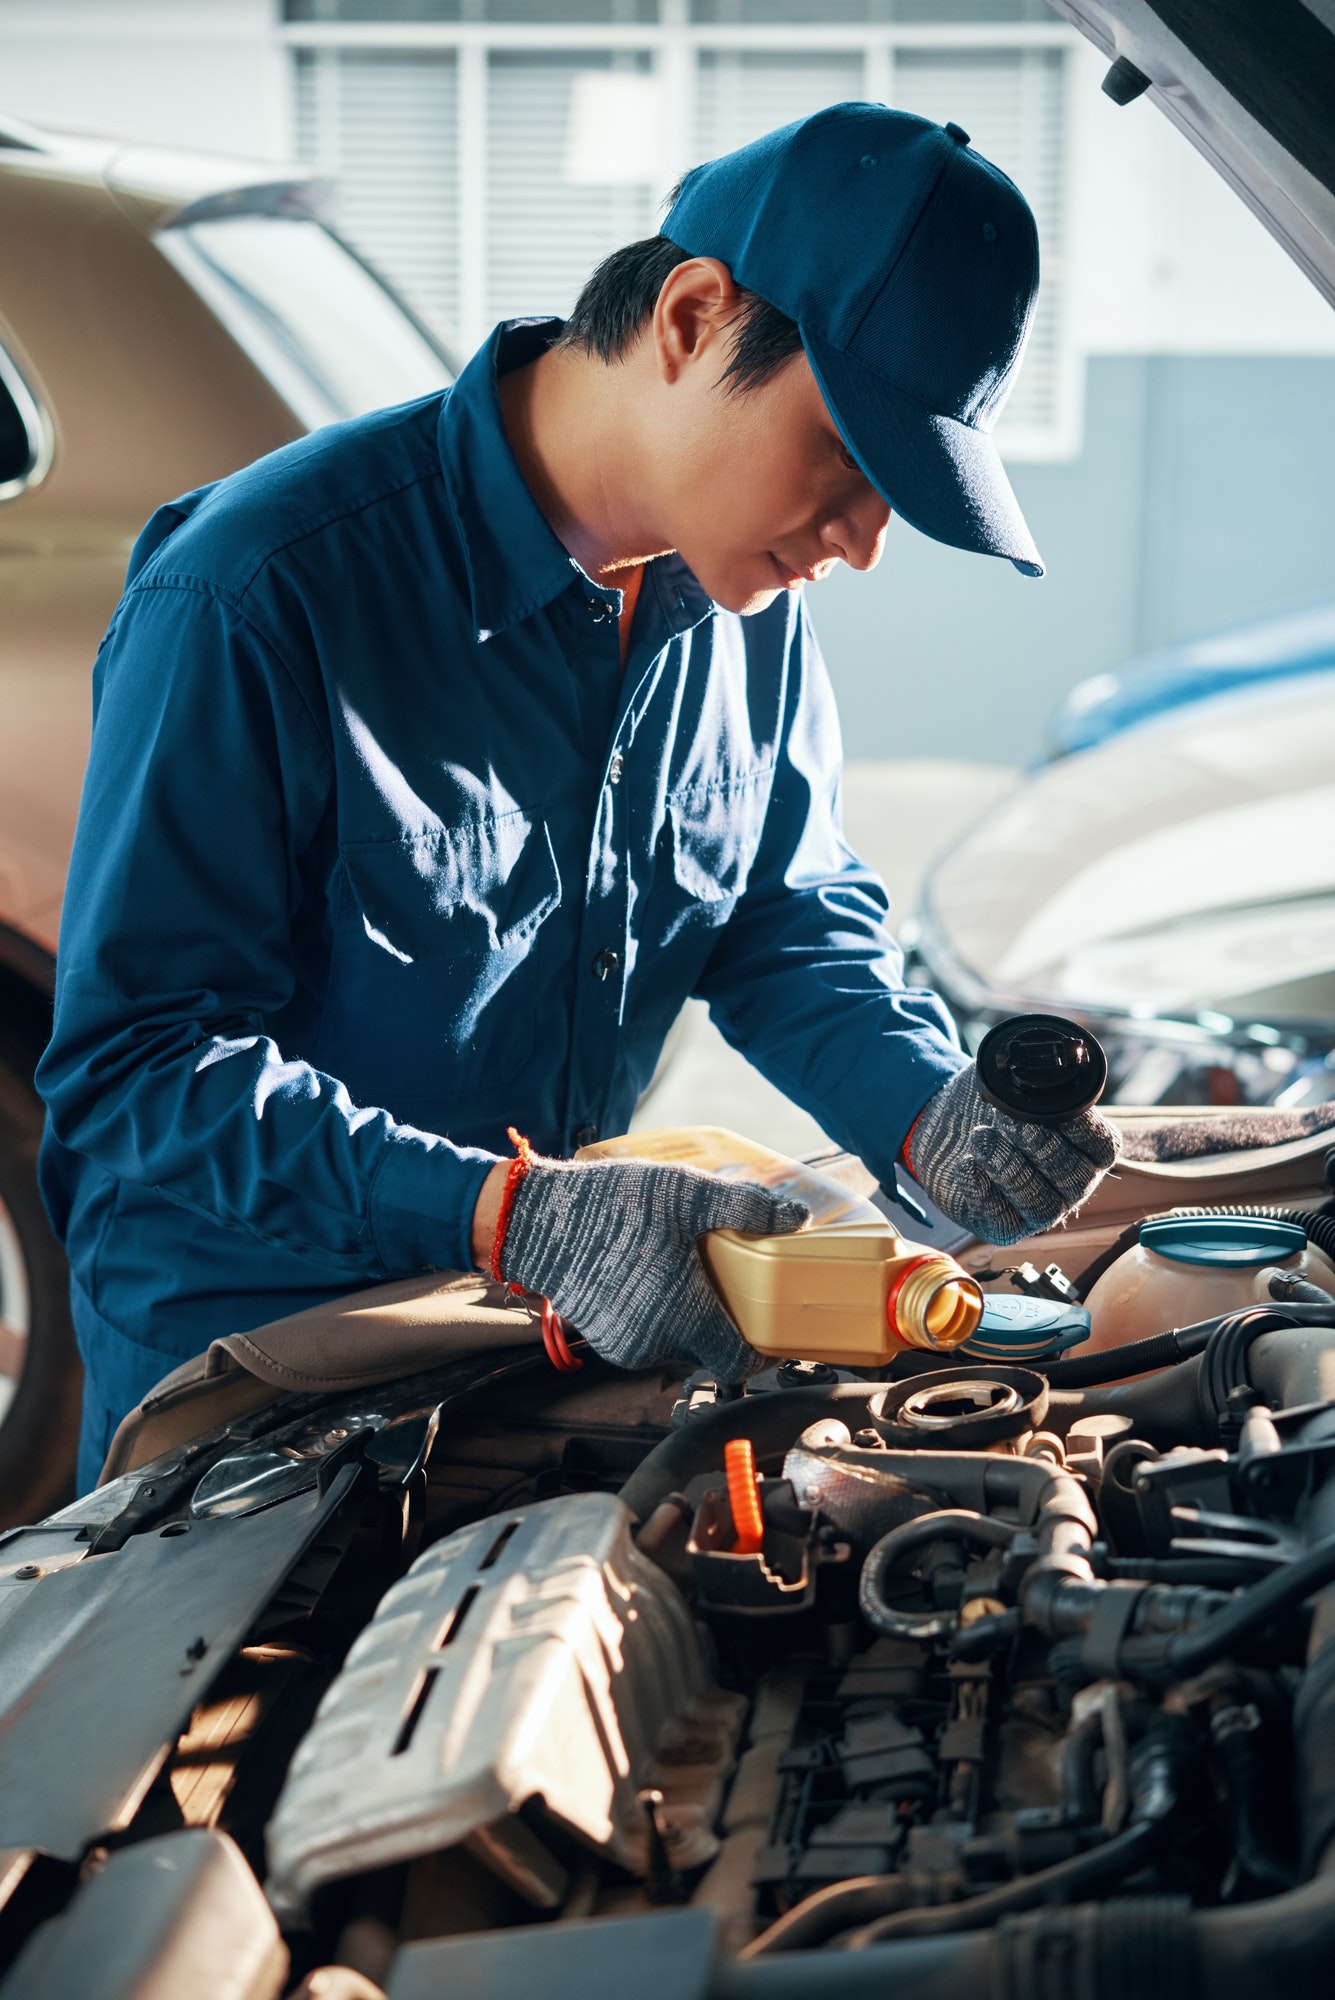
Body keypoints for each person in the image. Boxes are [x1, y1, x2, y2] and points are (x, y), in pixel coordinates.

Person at [37, 104, 1118, 1492]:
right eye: (850, 458)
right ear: (690, 319)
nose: (861, 543)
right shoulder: (258, 594)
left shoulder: (739, 598)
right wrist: (508, 1213)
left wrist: (927, 1114)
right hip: (256, 1373)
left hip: (543, 1336)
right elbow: (137, 1071)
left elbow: (781, 920)